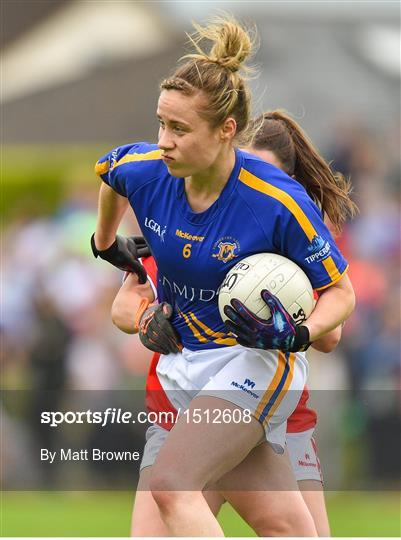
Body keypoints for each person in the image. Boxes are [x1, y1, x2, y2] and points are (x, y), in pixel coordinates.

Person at [92, 15, 356, 537]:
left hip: (252, 364)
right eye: (161, 124)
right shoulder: (150, 169)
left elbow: (341, 294)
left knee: (173, 486)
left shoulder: (278, 202)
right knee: (287, 527)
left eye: (180, 129)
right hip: (185, 373)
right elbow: (109, 172)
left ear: (227, 130)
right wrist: (105, 244)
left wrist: (298, 333)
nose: (163, 141)